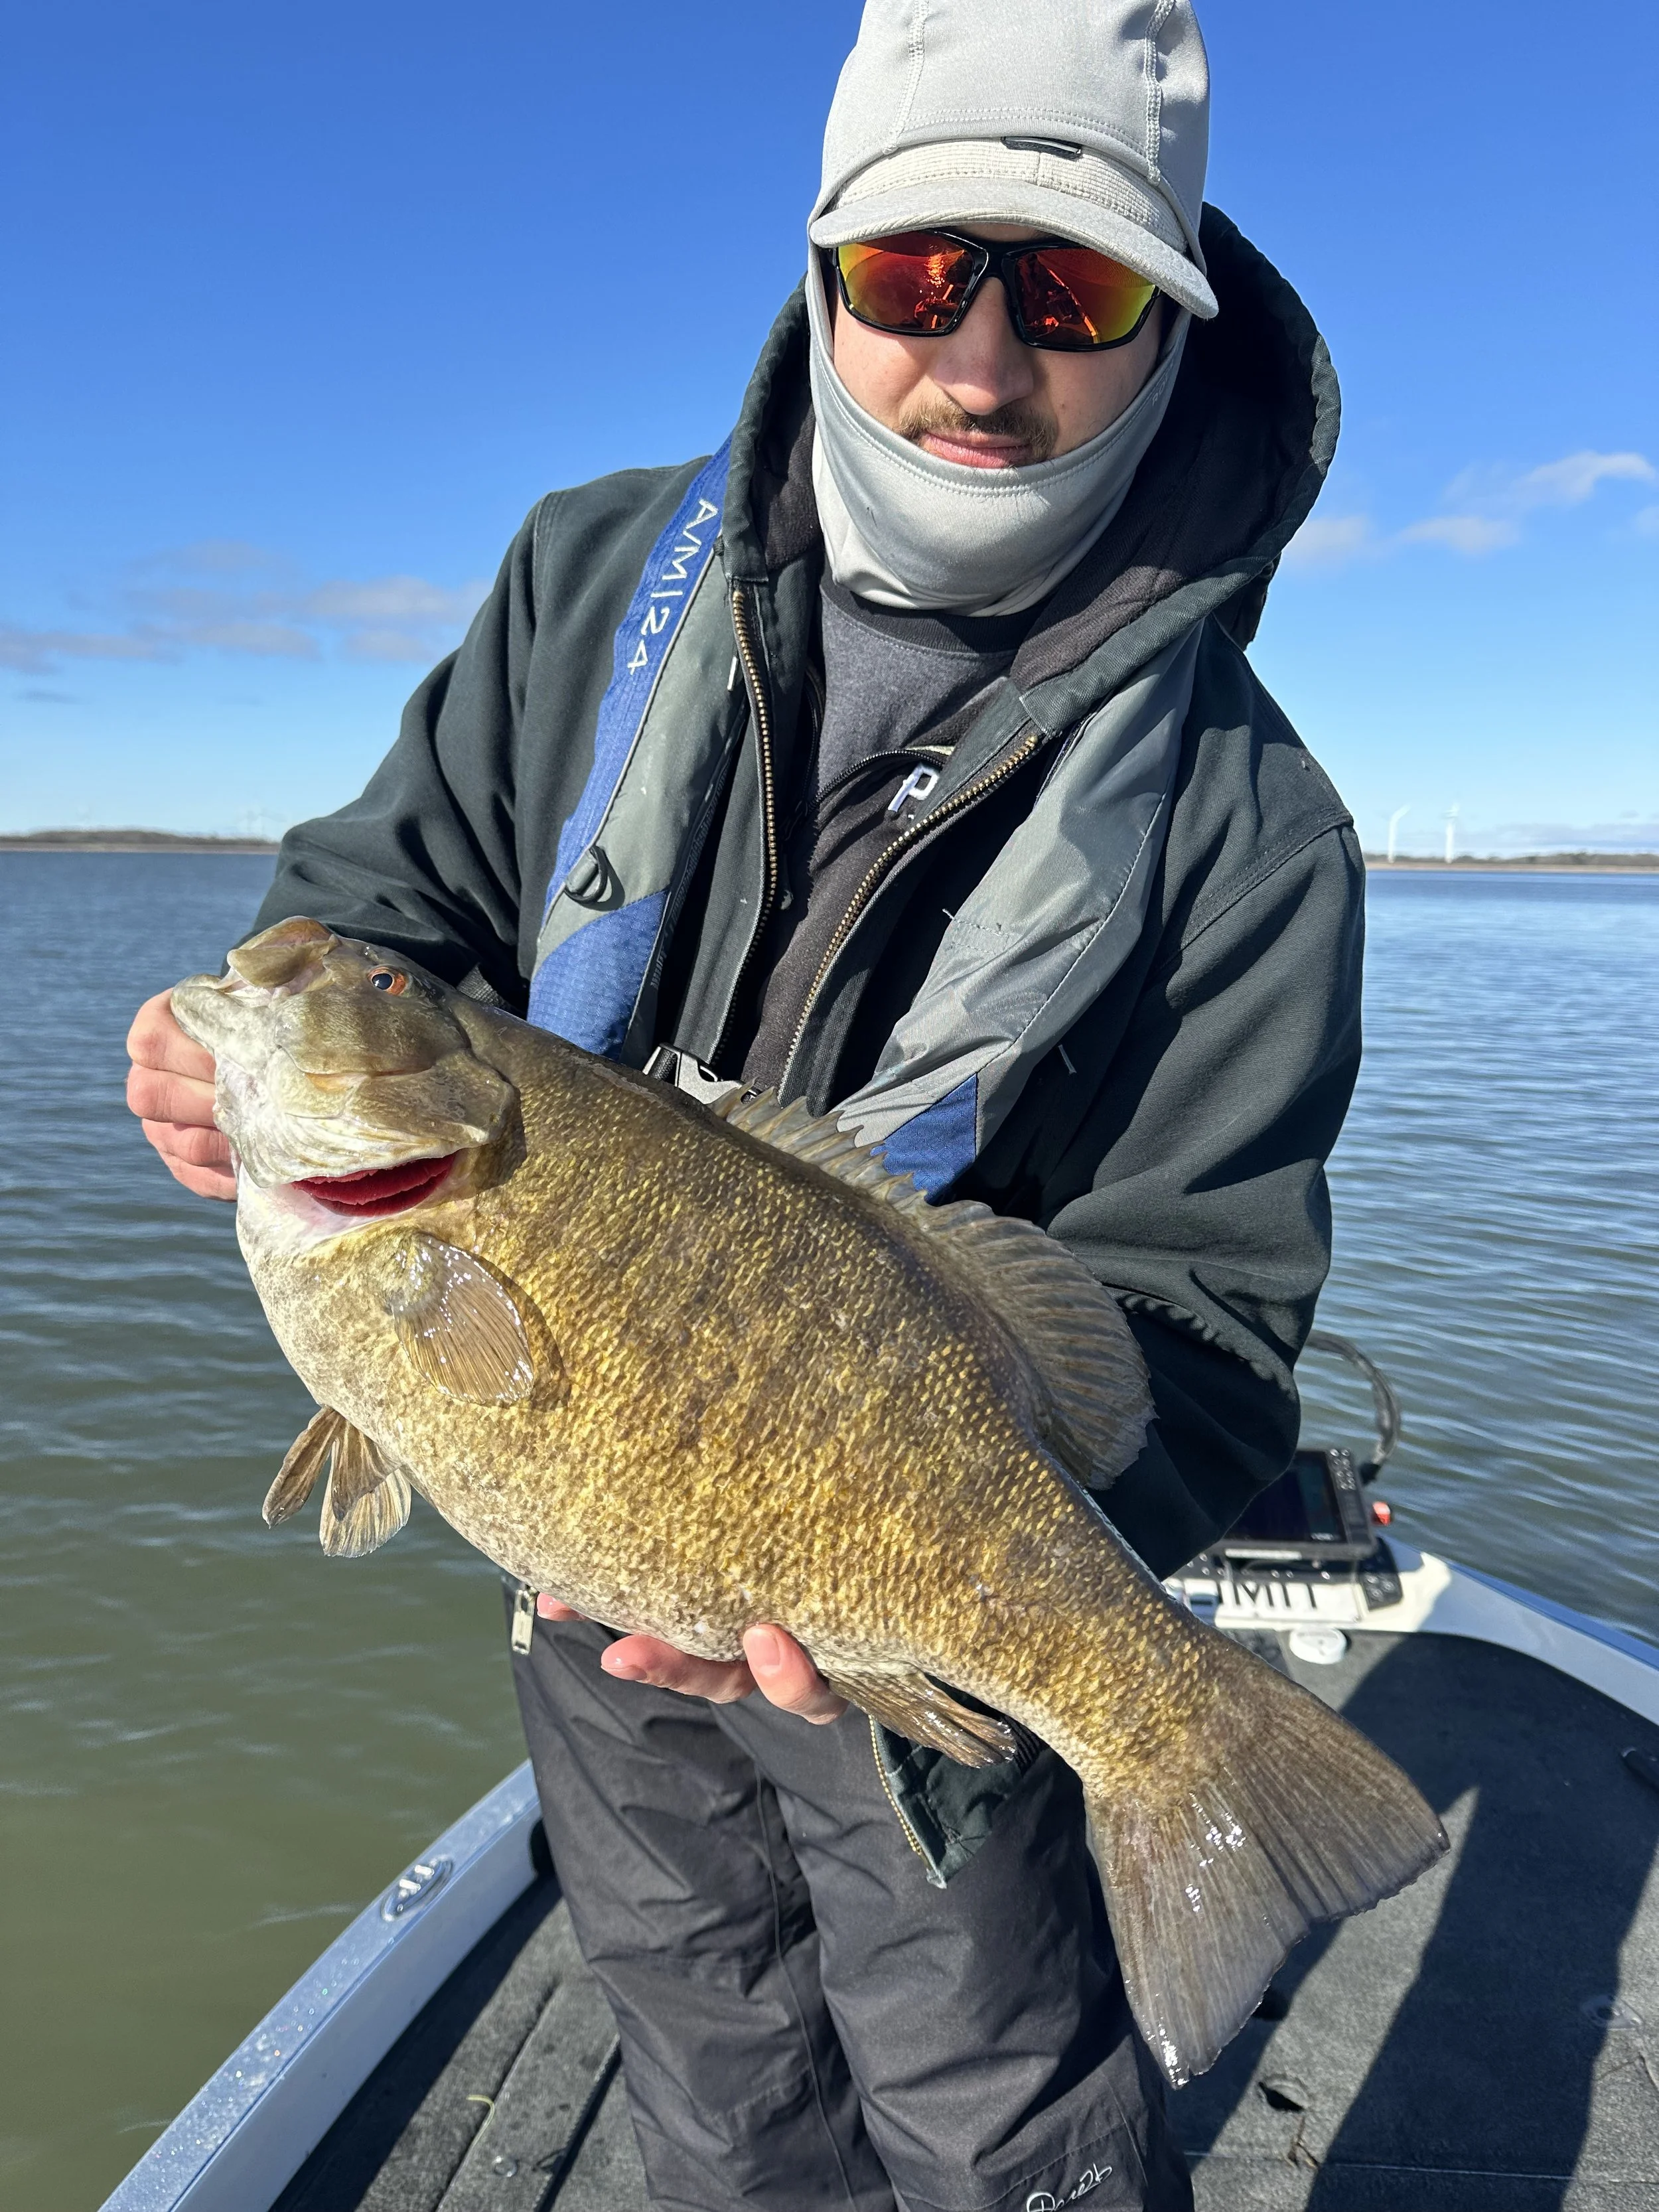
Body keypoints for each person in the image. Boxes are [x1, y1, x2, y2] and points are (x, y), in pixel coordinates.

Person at [126, 3, 1362, 2205]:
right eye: (913, 276)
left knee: (994, 2094)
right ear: (819, 277)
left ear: (1165, 327)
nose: (978, 366)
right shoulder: (594, 576)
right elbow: (375, 905)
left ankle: (1180, 1790)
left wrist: (1004, 1597)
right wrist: (240, 1042)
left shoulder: (1255, 828)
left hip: (918, 1640)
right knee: (706, 2060)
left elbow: (1200, 1324)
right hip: (588, 1579)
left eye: (1065, 292)